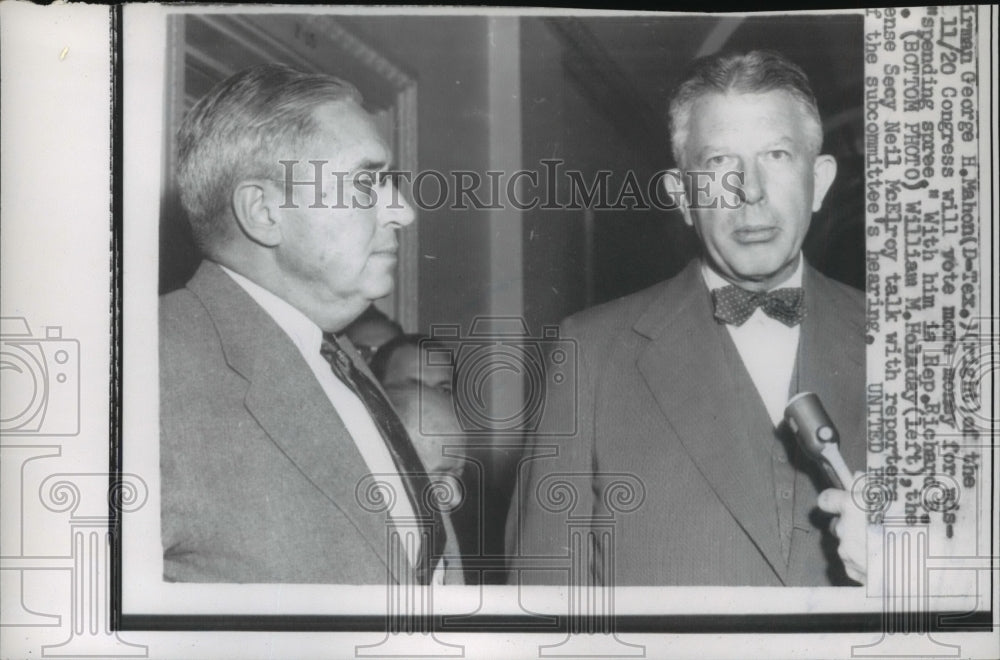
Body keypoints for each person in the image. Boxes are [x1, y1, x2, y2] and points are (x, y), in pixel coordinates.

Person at [509, 50, 867, 586]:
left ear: (819, 180)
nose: (750, 191)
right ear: (682, 196)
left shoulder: (909, 344)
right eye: (719, 163)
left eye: (775, 154)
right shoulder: (590, 353)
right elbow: (543, 605)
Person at [159, 64, 459, 585]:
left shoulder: (342, 363)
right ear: (265, 213)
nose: (403, 212)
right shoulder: (144, 369)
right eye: (367, 182)